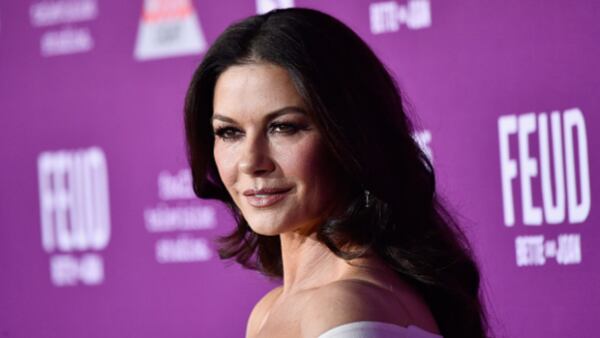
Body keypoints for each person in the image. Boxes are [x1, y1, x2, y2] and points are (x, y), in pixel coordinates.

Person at [184, 7, 488, 338]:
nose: (250, 161)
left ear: (350, 135)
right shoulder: (271, 310)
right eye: (229, 132)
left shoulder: (343, 308)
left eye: (283, 127)